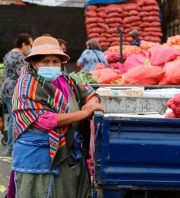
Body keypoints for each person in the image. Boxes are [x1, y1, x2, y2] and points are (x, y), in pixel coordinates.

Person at [11, 36, 104, 197]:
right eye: (45, 62)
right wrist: (84, 113)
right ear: (34, 63)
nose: (51, 65)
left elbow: (89, 92)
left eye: (55, 61)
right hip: (37, 159)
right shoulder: (26, 87)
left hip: (67, 155)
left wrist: (91, 102)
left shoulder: (65, 80)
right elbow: (45, 120)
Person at [2, 32, 33, 156]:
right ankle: (12, 148)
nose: (30, 48)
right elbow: (24, 74)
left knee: (11, 118)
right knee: (14, 119)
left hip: (6, 89)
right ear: (23, 44)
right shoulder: (19, 57)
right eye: (30, 45)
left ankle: (11, 146)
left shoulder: (8, 54)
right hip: (14, 90)